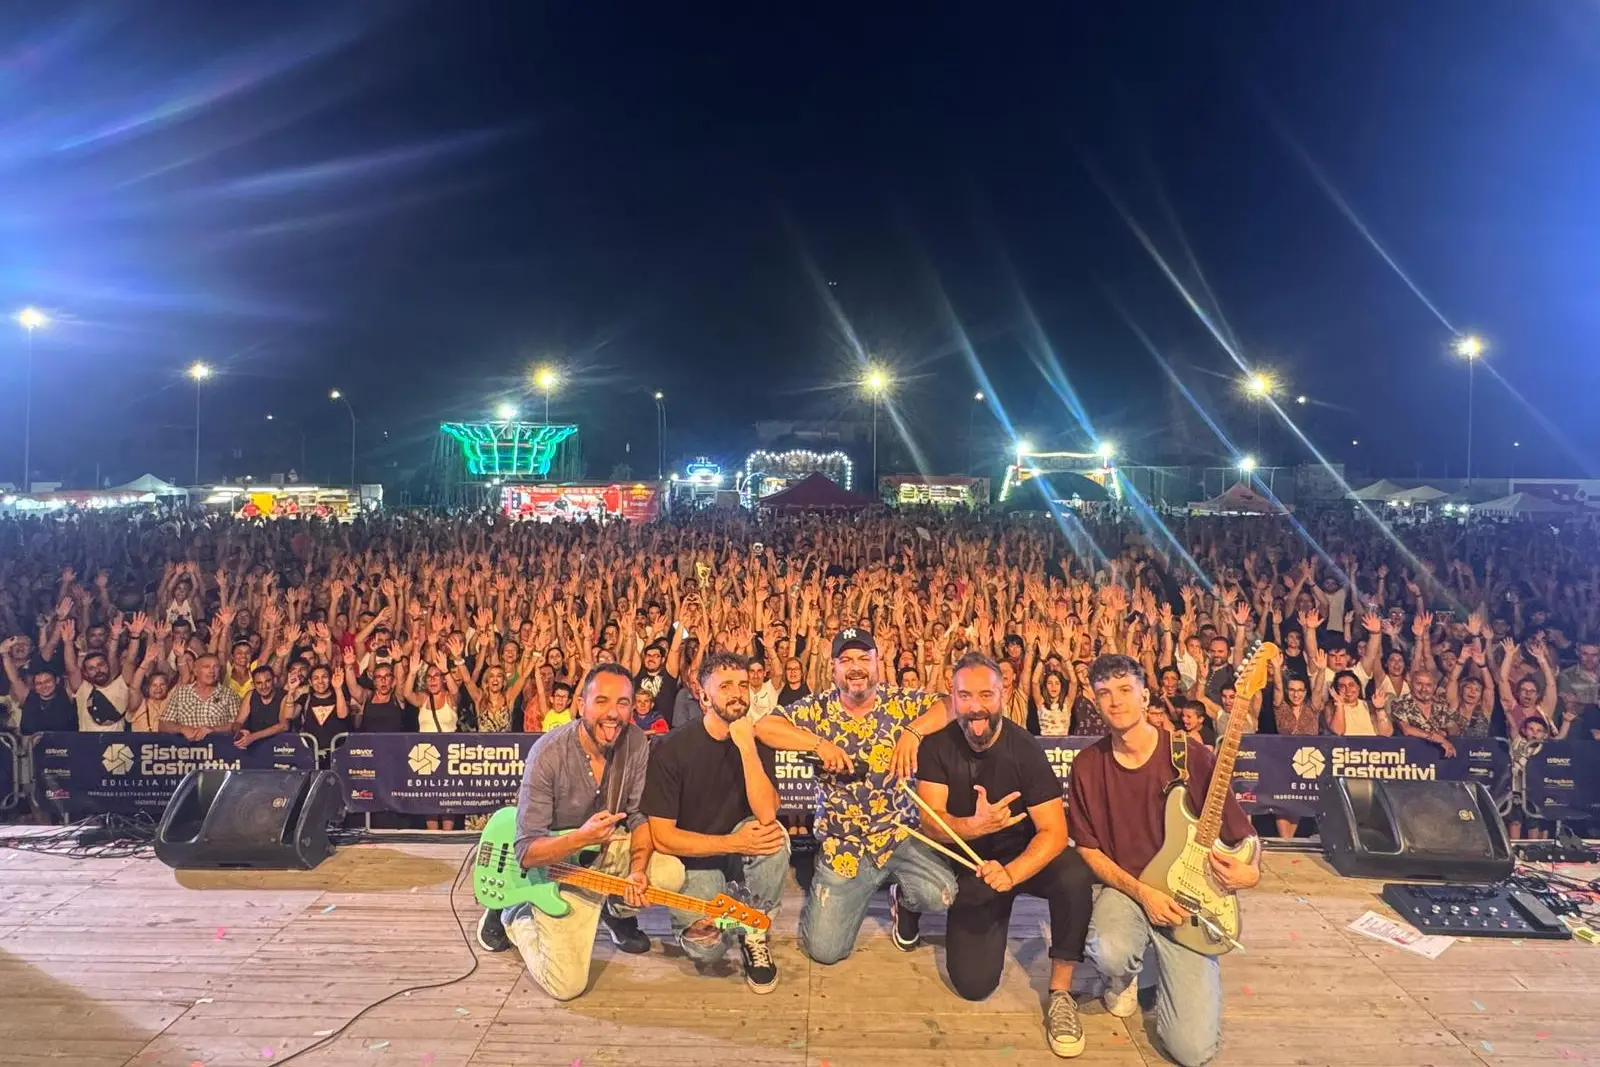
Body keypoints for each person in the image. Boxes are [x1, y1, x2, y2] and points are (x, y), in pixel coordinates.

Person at [1068, 654, 1259, 1067]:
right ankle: (1123, 977)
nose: (1115, 701)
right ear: (1095, 702)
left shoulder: (1189, 755)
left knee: (1192, 1052)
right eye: (1104, 693)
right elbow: (1087, 848)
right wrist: (1143, 893)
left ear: (1145, 696)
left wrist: (1251, 871)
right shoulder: (1086, 766)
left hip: (1190, 898)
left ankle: (1169, 968)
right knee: (1109, 950)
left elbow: (1243, 833)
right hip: (1130, 890)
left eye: (1125, 690)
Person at [916, 652, 1092, 1059]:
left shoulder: (1025, 748)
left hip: (1021, 859)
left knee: (1074, 874)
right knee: (973, 985)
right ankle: (907, 905)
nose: (975, 706)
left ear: (1003, 695)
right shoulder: (937, 746)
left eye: (985, 695)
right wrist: (975, 827)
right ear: (952, 697)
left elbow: (1054, 831)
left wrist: (1012, 873)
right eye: (964, 696)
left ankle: (1061, 992)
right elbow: (930, 824)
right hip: (970, 866)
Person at [478, 664, 686, 1000]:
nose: (613, 713)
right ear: (581, 704)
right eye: (602, 701)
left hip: (601, 851)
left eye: (623, 703)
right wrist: (581, 838)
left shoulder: (635, 742)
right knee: (567, 986)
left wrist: (636, 871)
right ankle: (514, 914)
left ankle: (613, 910)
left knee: (668, 872)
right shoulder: (548, 753)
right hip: (551, 868)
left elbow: (637, 816)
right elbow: (525, 851)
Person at [754, 627, 959, 964]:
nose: (856, 667)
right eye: (846, 660)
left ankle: (903, 903)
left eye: (864, 658)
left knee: (941, 894)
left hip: (898, 834)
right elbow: (764, 727)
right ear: (833, 668)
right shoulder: (817, 709)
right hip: (843, 843)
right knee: (825, 951)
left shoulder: (901, 702)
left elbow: (950, 704)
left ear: (878, 662)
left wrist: (913, 731)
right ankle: (851, 895)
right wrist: (819, 744)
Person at [643, 651, 788, 992]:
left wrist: (747, 747)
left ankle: (754, 931)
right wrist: (732, 843)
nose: (737, 693)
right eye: (725, 686)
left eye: (742, 684)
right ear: (704, 696)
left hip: (743, 855)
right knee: (707, 949)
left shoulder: (756, 740)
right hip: (698, 859)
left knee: (773, 835)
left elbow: (767, 814)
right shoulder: (670, 748)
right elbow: (662, 837)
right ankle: (725, 916)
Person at [160, 653, 242, 740]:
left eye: (216, 667)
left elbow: (238, 725)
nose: (212, 671)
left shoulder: (229, 695)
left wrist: (213, 729)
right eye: (206, 667)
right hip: (187, 746)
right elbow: (163, 724)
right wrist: (182, 729)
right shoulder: (181, 693)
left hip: (218, 746)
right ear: (195, 671)